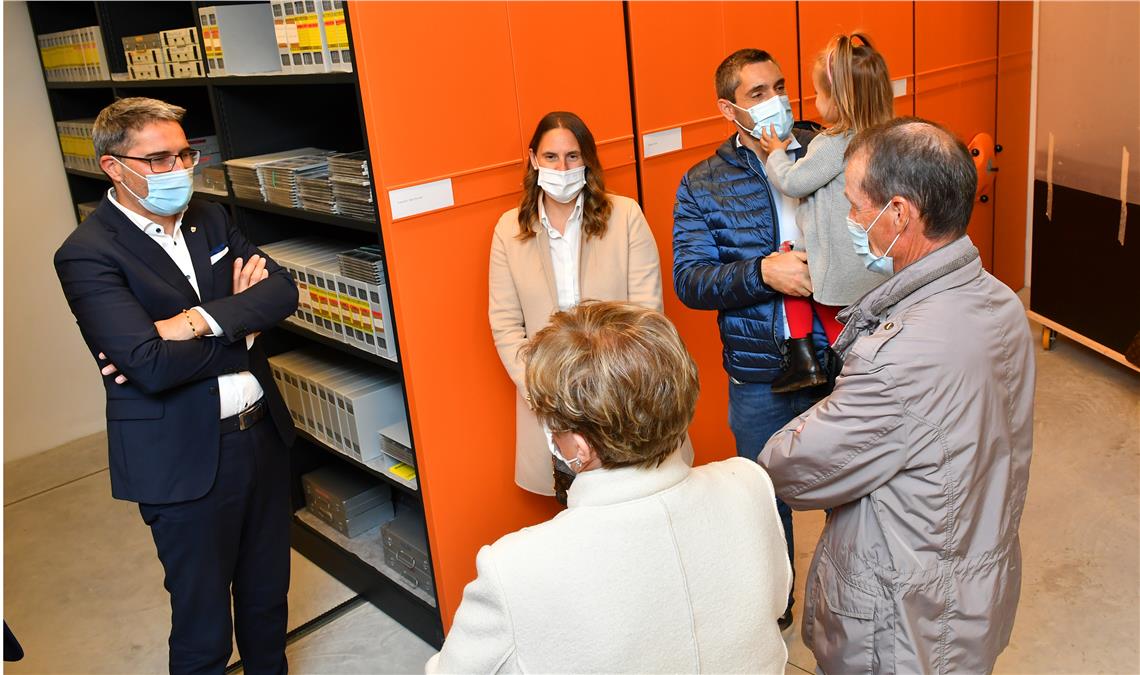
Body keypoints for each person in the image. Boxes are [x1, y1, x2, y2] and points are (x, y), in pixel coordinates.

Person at [758, 117, 1035, 674]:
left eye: (856, 206)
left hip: (904, 625)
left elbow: (792, 470)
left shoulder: (899, 357)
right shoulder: (1001, 301)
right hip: (971, 588)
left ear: (900, 214)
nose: (850, 219)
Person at [53, 97, 298, 674]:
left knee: (267, 598)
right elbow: (148, 365)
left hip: (261, 436)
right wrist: (240, 326)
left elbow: (282, 293)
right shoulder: (86, 253)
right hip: (180, 458)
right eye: (159, 159)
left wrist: (190, 322)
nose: (179, 169)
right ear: (114, 167)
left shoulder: (209, 218)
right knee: (202, 622)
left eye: (185, 154)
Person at [428, 301, 791, 674]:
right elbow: (774, 604)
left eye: (552, 424)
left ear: (580, 447)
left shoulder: (513, 568)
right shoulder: (749, 485)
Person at [672, 48, 824, 629]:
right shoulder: (703, 184)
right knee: (763, 498)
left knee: (855, 489)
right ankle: (776, 609)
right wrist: (763, 273)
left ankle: (853, 606)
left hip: (840, 355)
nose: (776, 101)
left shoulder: (824, 151)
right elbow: (691, 279)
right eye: (758, 93)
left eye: (779, 87)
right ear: (728, 108)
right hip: (760, 370)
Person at [489, 111, 686, 504]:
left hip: (623, 392)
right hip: (550, 398)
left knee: (634, 501)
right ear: (533, 159)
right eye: (551, 157)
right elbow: (505, 325)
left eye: (572, 157)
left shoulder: (625, 216)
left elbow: (648, 314)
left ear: (587, 161)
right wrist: (542, 392)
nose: (562, 169)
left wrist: (616, 387)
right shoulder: (509, 230)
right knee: (573, 507)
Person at [757, 33, 893, 393]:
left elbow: (793, 182)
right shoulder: (885, 138)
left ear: (837, 99)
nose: (815, 101)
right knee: (851, 321)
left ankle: (809, 360)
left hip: (837, 262)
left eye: (818, 93)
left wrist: (775, 153)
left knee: (797, 276)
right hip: (873, 262)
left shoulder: (833, 143)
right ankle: (849, 368)